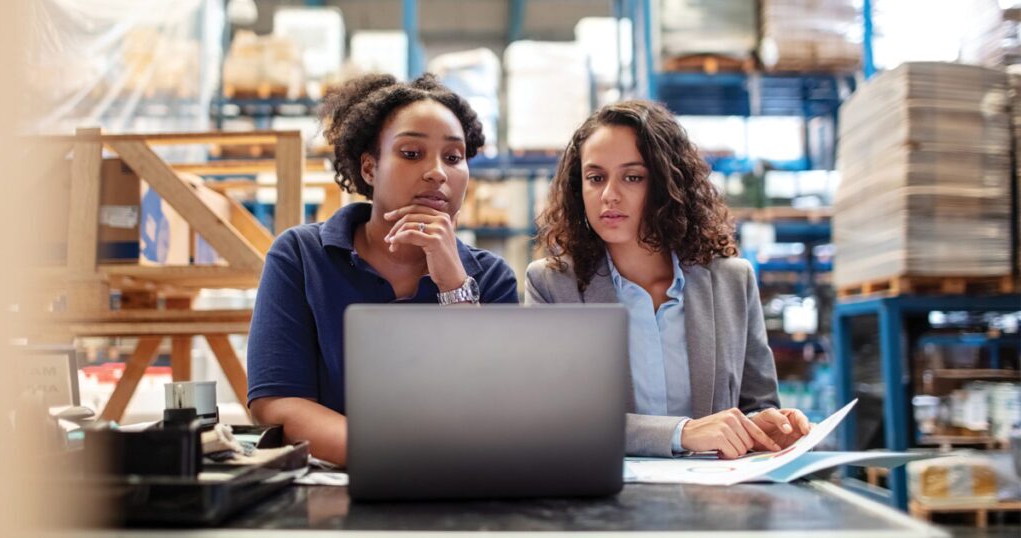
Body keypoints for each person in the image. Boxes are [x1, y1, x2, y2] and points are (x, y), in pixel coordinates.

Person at [247, 73, 519, 467]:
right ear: (370, 169)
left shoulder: (491, 278)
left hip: (457, 491)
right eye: (412, 154)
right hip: (338, 493)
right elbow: (276, 402)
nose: (437, 173)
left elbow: (496, 409)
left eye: (454, 157)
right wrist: (392, 456)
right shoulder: (300, 257)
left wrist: (453, 285)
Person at [525, 100, 810, 459]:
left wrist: (769, 427)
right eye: (595, 178)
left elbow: (756, 403)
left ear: (666, 183)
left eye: (633, 177)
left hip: (715, 501)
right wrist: (682, 433)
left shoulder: (732, 281)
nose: (609, 194)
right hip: (605, 500)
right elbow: (556, 420)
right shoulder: (551, 285)